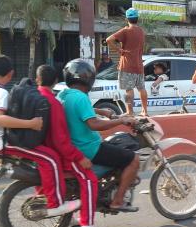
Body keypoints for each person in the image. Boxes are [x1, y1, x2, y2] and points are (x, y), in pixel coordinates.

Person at [0, 57, 80, 220]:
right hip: (1, 142)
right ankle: (54, 205)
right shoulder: (0, 92)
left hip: (3, 140)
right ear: (10, 73)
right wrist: (30, 124)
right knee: (51, 159)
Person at [36, 65, 107, 227]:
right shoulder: (54, 102)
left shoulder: (53, 97)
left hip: (46, 149)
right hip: (65, 151)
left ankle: (73, 218)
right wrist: (78, 157)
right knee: (90, 180)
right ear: (55, 82)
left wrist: (100, 111)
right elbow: (61, 139)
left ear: (38, 79)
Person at [58, 59, 139, 212]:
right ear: (88, 78)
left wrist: (103, 112)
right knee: (133, 159)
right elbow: (94, 125)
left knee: (116, 147)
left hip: (74, 146)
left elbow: (80, 110)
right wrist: (121, 120)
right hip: (89, 148)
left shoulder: (65, 94)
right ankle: (118, 201)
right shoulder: (81, 97)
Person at [106, 8, 147, 116]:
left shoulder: (126, 31)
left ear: (126, 19)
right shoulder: (141, 31)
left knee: (129, 90)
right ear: (137, 19)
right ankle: (145, 111)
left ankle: (130, 111)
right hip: (139, 66)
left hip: (127, 66)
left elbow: (108, 40)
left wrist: (118, 49)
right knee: (141, 88)